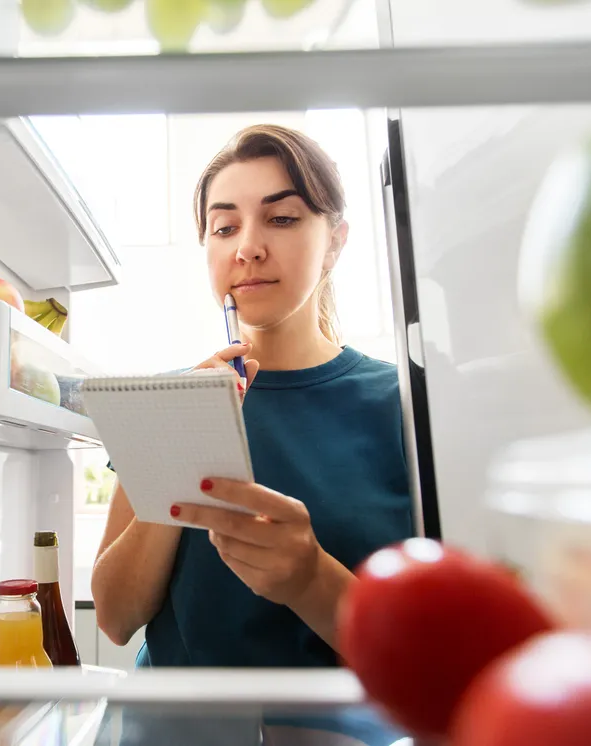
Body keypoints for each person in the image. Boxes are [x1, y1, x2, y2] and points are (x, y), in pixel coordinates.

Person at [91, 124, 416, 746]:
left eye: (283, 219)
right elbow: (115, 615)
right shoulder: (166, 399)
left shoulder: (400, 405)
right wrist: (181, 452)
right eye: (224, 227)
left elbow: (423, 656)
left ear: (335, 242)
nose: (248, 248)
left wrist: (309, 579)